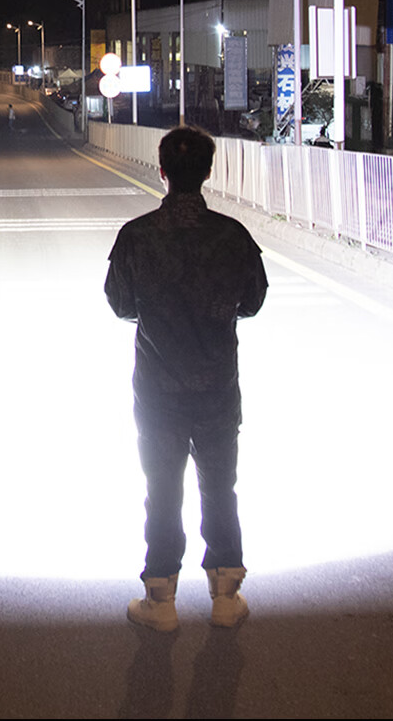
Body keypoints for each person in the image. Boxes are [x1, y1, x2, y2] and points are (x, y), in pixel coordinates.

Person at [105, 124, 268, 633]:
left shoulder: (136, 236)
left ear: (162, 172)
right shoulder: (233, 236)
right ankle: (225, 597)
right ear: (207, 172)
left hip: (158, 392)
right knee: (220, 486)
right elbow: (253, 302)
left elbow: (120, 304)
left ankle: (161, 600)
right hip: (217, 388)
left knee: (162, 489)